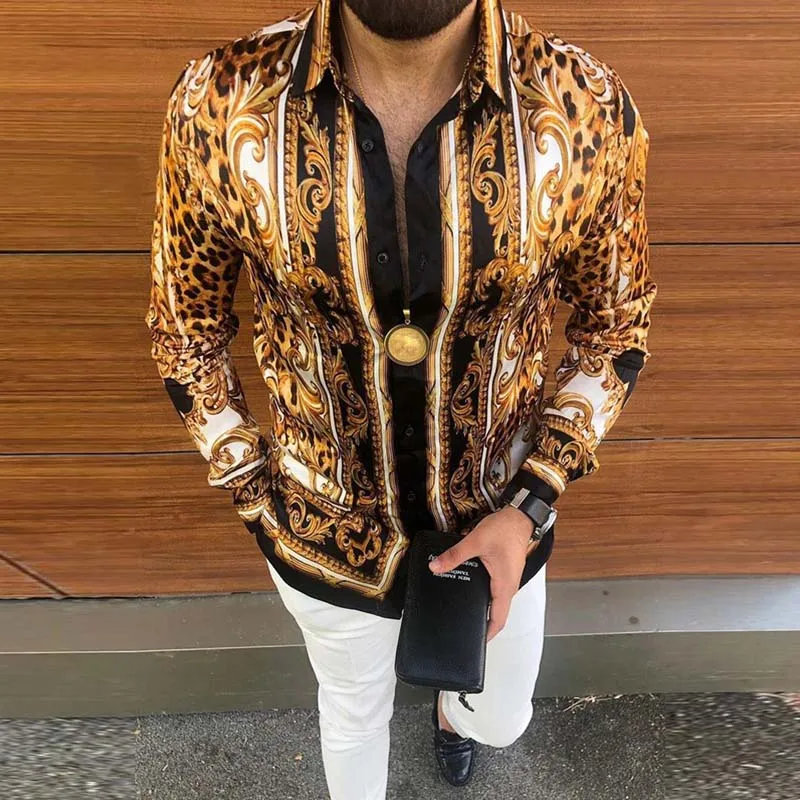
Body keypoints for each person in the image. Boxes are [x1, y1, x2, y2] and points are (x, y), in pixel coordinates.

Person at [144, 0, 657, 796]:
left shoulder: (582, 103)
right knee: (352, 714)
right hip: (321, 533)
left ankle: (454, 716)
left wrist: (531, 503)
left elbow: (616, 329)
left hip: (500, 518)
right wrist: (258, 496)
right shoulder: (220, 100)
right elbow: (185, 334)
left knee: (500, 718)